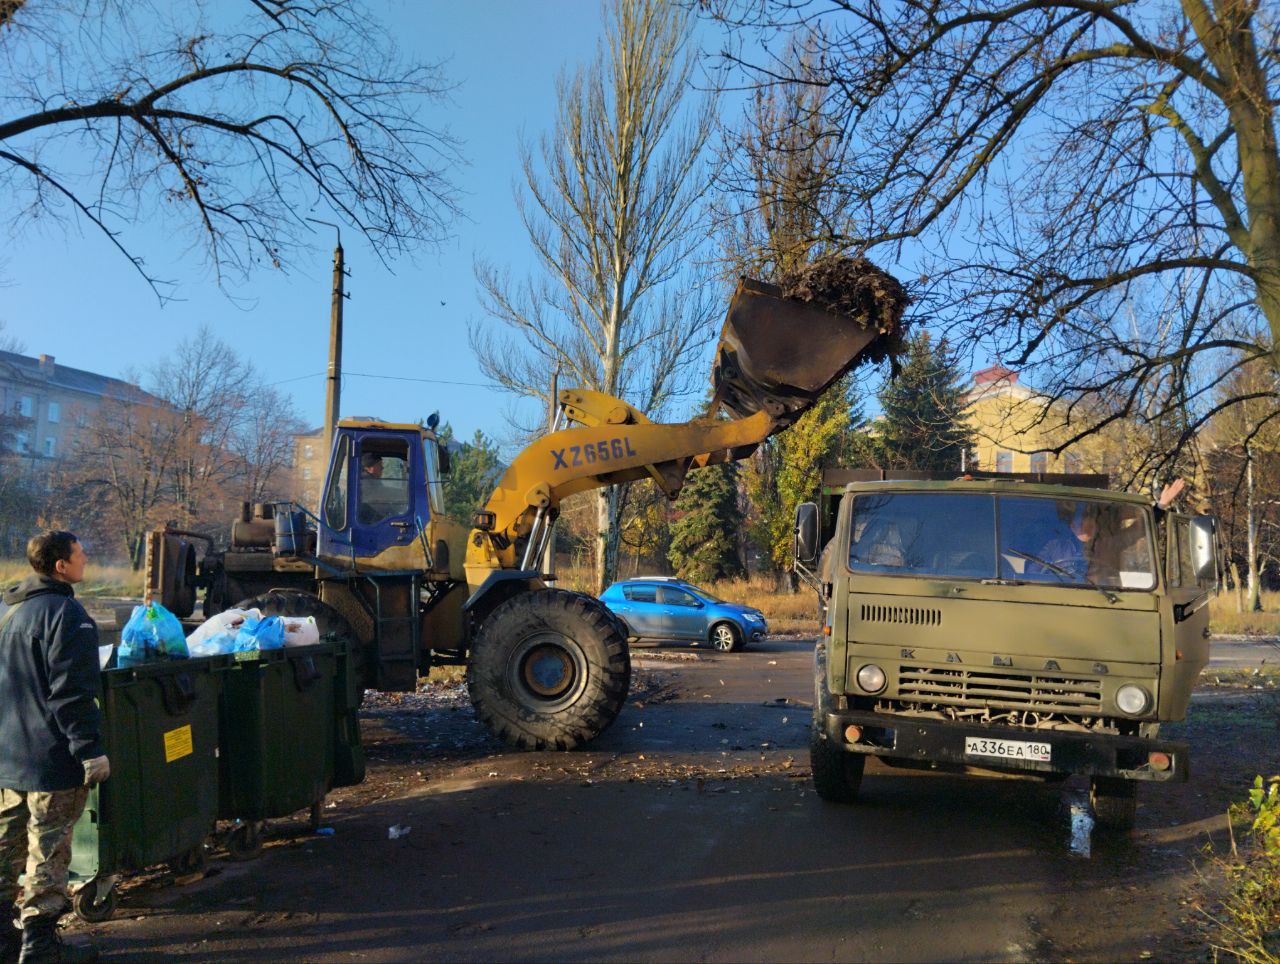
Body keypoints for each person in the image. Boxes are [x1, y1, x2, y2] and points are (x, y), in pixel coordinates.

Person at [0, 531, 108, 963]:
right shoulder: (68, 615)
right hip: (50, 759)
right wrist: (90, 750)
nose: (86, 560)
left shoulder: (12, 612)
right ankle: (39, 945)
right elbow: (72, 694)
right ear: (61, 566)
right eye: (81, 554)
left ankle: (5, 940)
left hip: (9, 756)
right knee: (48, 851)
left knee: (5, 848)